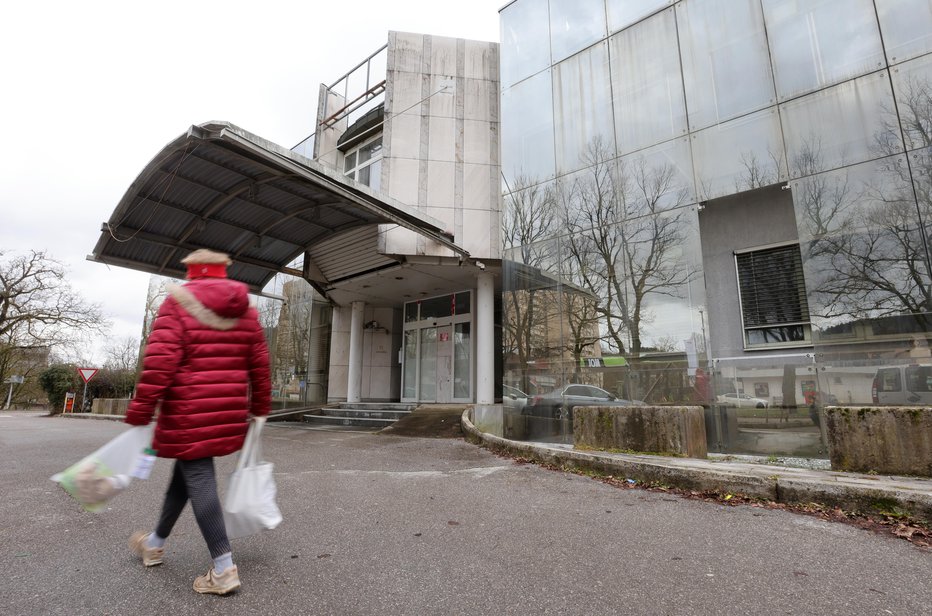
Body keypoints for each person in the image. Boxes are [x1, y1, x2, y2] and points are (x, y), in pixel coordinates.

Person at [124, 248, 271, 595]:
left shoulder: (177, 302)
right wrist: (260, 408)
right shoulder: (246, 310)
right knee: (187, 473)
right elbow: (260, 365)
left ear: (192, 271)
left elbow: (160, 362)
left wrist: (141, 409)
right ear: (223, 272)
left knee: (199, 475)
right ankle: (155, 543)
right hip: (227, 412)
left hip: (188, 412)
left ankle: (223, 569)